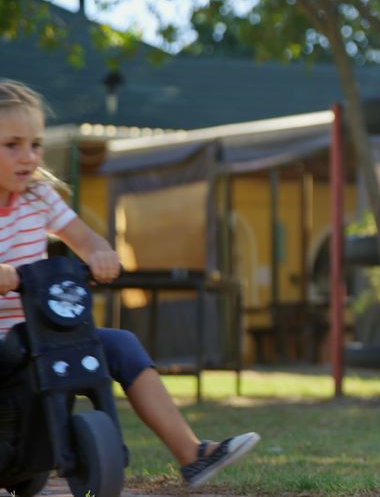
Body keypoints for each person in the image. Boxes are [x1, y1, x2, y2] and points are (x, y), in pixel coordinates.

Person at [0, 79, 259, 488]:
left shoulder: (40, 198)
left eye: (34, 144)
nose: (28, 157)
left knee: (121, 344)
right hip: (2, 342)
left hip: (42, 334)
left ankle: (192, 454)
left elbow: (85, 239)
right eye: (11, 145)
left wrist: (100, 254)